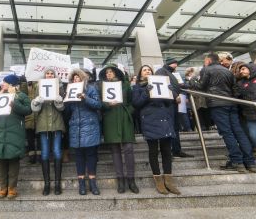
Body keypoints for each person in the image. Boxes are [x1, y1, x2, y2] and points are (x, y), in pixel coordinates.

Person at [189, 53, 256, 172]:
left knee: (227, 132)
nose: (204, 62)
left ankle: (237, 161)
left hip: (217, 105)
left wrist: (192, 80)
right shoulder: (227, 71)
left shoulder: (207, 69)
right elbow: (235, 88)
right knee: (239, 132)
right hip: (230, 103)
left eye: (205, 60)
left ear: (209, 60)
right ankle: (250, 162)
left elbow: (201, 87)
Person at [132, 65, 180, 195]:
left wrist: (170, 93)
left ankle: (169, 180)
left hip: (163, 118)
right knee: (153, 151)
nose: (148, 71)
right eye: (145, 70)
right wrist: (147, 92)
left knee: (166, 151)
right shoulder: (137, 87)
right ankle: (158, 180)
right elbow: (136, 103)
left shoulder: (161, 83)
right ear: (141, 74)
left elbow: (168, 103)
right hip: (149, 120)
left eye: (149, 70)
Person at [0, 74, 31, 199]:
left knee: (13, 160)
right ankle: (3, 188)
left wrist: (15, 105)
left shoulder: (21, 96)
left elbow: (28, 110)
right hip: (0, 131)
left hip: (15, 131)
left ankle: (12, 188)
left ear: (12, 84)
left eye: (5, 82)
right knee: (1, 160)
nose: (3, 84)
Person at [99, 64, 139, 194]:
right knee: (115, 149)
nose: (108, 74)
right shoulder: (102, 87)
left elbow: (133, 102)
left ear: (116, 73)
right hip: (110, 118)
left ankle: (131, 179)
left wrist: (128, 111)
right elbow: (100, 103)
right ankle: (120, 179)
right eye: (106, 72)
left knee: (128, 148)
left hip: (124, 117)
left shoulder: (126, 85)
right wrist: (106, 105)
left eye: (111, 72)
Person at [65, 69, 102, 195]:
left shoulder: (91, 88)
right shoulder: (70, 91)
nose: (76, 80)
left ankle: (92, 183)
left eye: (78, 78)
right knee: (79, 156)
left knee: (91, 155)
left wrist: (85, 97)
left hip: (90, 126)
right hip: (76, 127)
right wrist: (67, 100)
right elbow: (67, 112)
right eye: (73, 79)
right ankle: (81, 183)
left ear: (82, 79)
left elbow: (98, 104)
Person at [31, 68, 66, 196]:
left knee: (57, 151)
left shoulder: (60, 87)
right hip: (43, 124)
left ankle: (57, 183)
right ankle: (47, 184)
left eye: (52, 74)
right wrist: (36, 102)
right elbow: (34, 109)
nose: (50, 75)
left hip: (56, 123)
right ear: (44, 75)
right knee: (45, 153)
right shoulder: (38, 87)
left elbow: (63, 108)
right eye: (48, 73)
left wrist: (59, 102)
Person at [156, 58, 193, 158]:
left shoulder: (170, 73)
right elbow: (163, 85)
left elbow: (175, 86)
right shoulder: (161, 71)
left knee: (175, 127)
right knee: (169, 126)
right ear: (170, 63)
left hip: (174, 103)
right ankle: (168, 151)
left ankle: (176, 149)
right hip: (167, 103)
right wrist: (175, 95)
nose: (176, 65)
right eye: (175, 63)